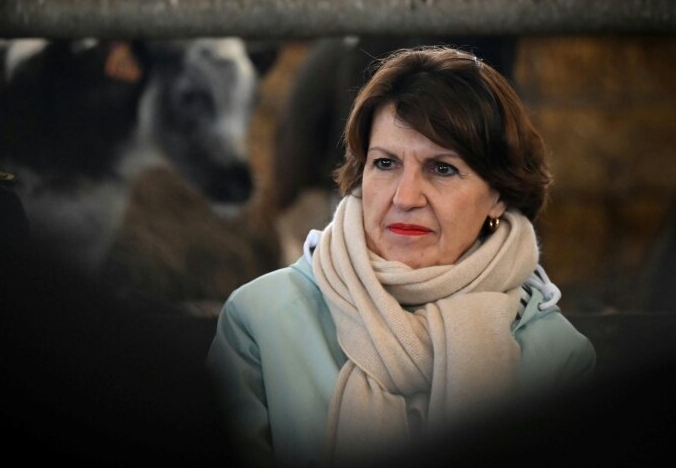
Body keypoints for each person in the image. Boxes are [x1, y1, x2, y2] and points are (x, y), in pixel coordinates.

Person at [207, 47, 595, 468]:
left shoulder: (557, 359)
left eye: (442, 168)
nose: (406, 197)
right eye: (385, 163)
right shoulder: (261, 322)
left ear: (499, 195)